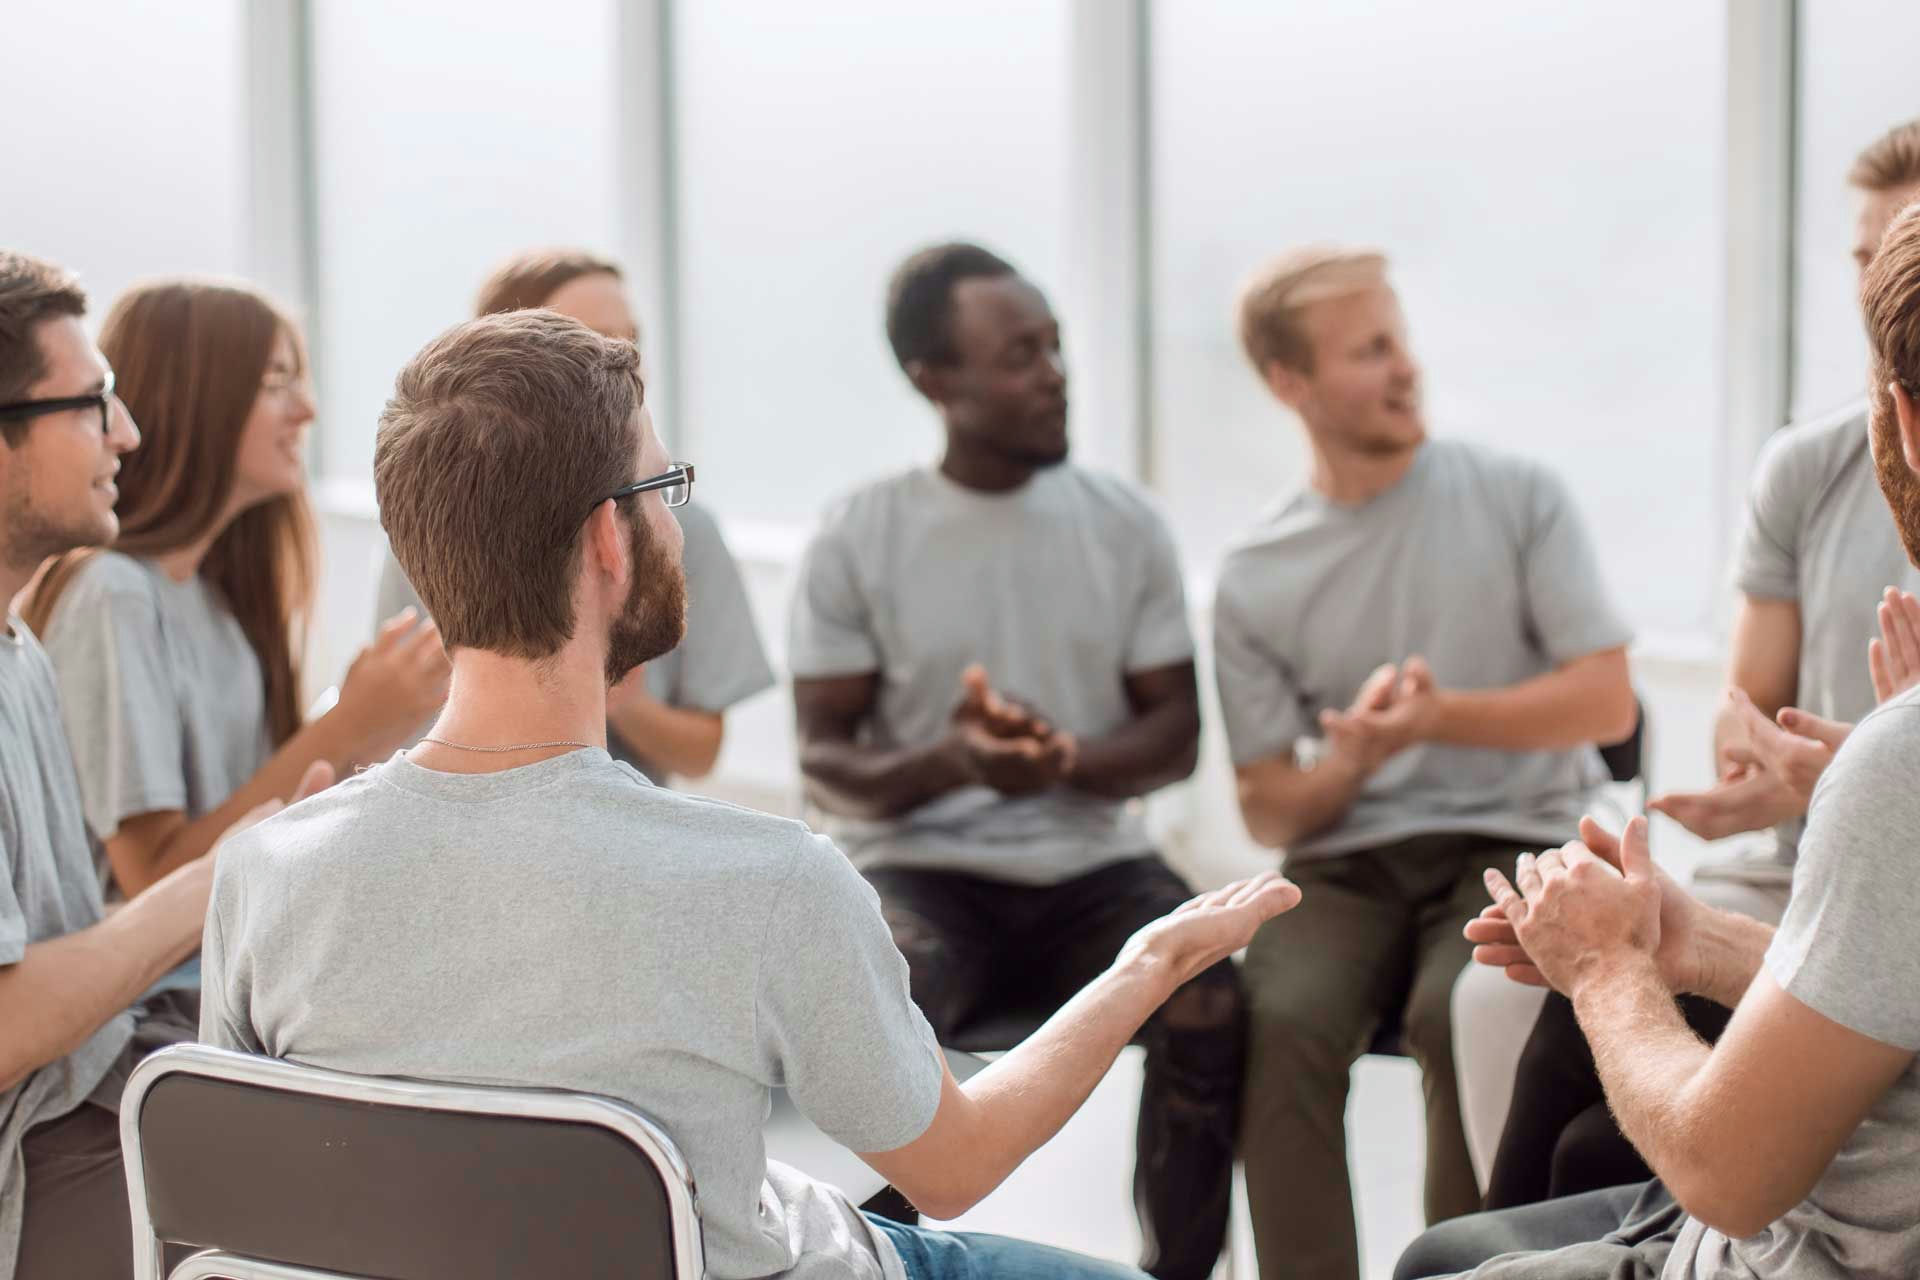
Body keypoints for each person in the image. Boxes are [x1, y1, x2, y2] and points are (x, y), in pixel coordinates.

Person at [199, 307, 1302, 1280]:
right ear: (605, 541)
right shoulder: (768, 879)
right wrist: (1147, 963)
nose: (676, 522)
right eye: (663, 489)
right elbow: (956, 1166)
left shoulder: (266, 871)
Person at [1395, 195, 1920, 1280]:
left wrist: (1605, 967)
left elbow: (1731, 1174)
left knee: (1442, 1264)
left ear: (1906, 420)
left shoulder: (1901, 761)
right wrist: (1693, 946)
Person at [788, 243, 1236, 1280]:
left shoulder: (1125, 527)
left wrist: (1066, 759)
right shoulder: (859, 535)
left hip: (1094, 867)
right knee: (880, 1002)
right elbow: (828, 763)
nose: (1054, 372)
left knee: (1213, 997)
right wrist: (957, 760)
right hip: (922, 870)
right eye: (1020, 353)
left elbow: (1174, 736)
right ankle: (883, 1265)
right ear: (934, 380)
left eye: (1055, 345)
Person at [1214, 246, 1637, 1280]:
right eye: (1370, 351)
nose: (1407, 368)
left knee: (1462, 1011)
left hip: (1512, 832)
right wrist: (1356, 760)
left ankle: (1466, 1274)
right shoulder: (1254, 574)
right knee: (1276, 1019)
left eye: (1400, 340)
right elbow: (1273, 804)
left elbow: (1605, 697)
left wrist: (1438, 719)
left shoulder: (1516, 495)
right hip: (1349, 859)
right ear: (1290, 383)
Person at [0, 250, 321, 1280]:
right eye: (93, 406)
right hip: (44, 1150)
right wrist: (230, 868)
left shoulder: (22, 652)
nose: (127, 433)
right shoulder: (104, 608)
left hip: (102, 1080)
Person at [21, 280, 447, 928]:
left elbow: (263, 815)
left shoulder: (218, 604)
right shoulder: (115, 596)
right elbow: (153, 880)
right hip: (159, 1012)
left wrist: (364, 729)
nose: (306, 409)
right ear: (197, 401)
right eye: (276, 383)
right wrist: (347, 727)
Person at [374, 248, 772, 782]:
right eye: (593, 339)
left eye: (630, 341)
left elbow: (701, 752)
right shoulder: (430, 528)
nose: (624, 363)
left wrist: (619, 699)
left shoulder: (679, 528)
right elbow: (393, 709)